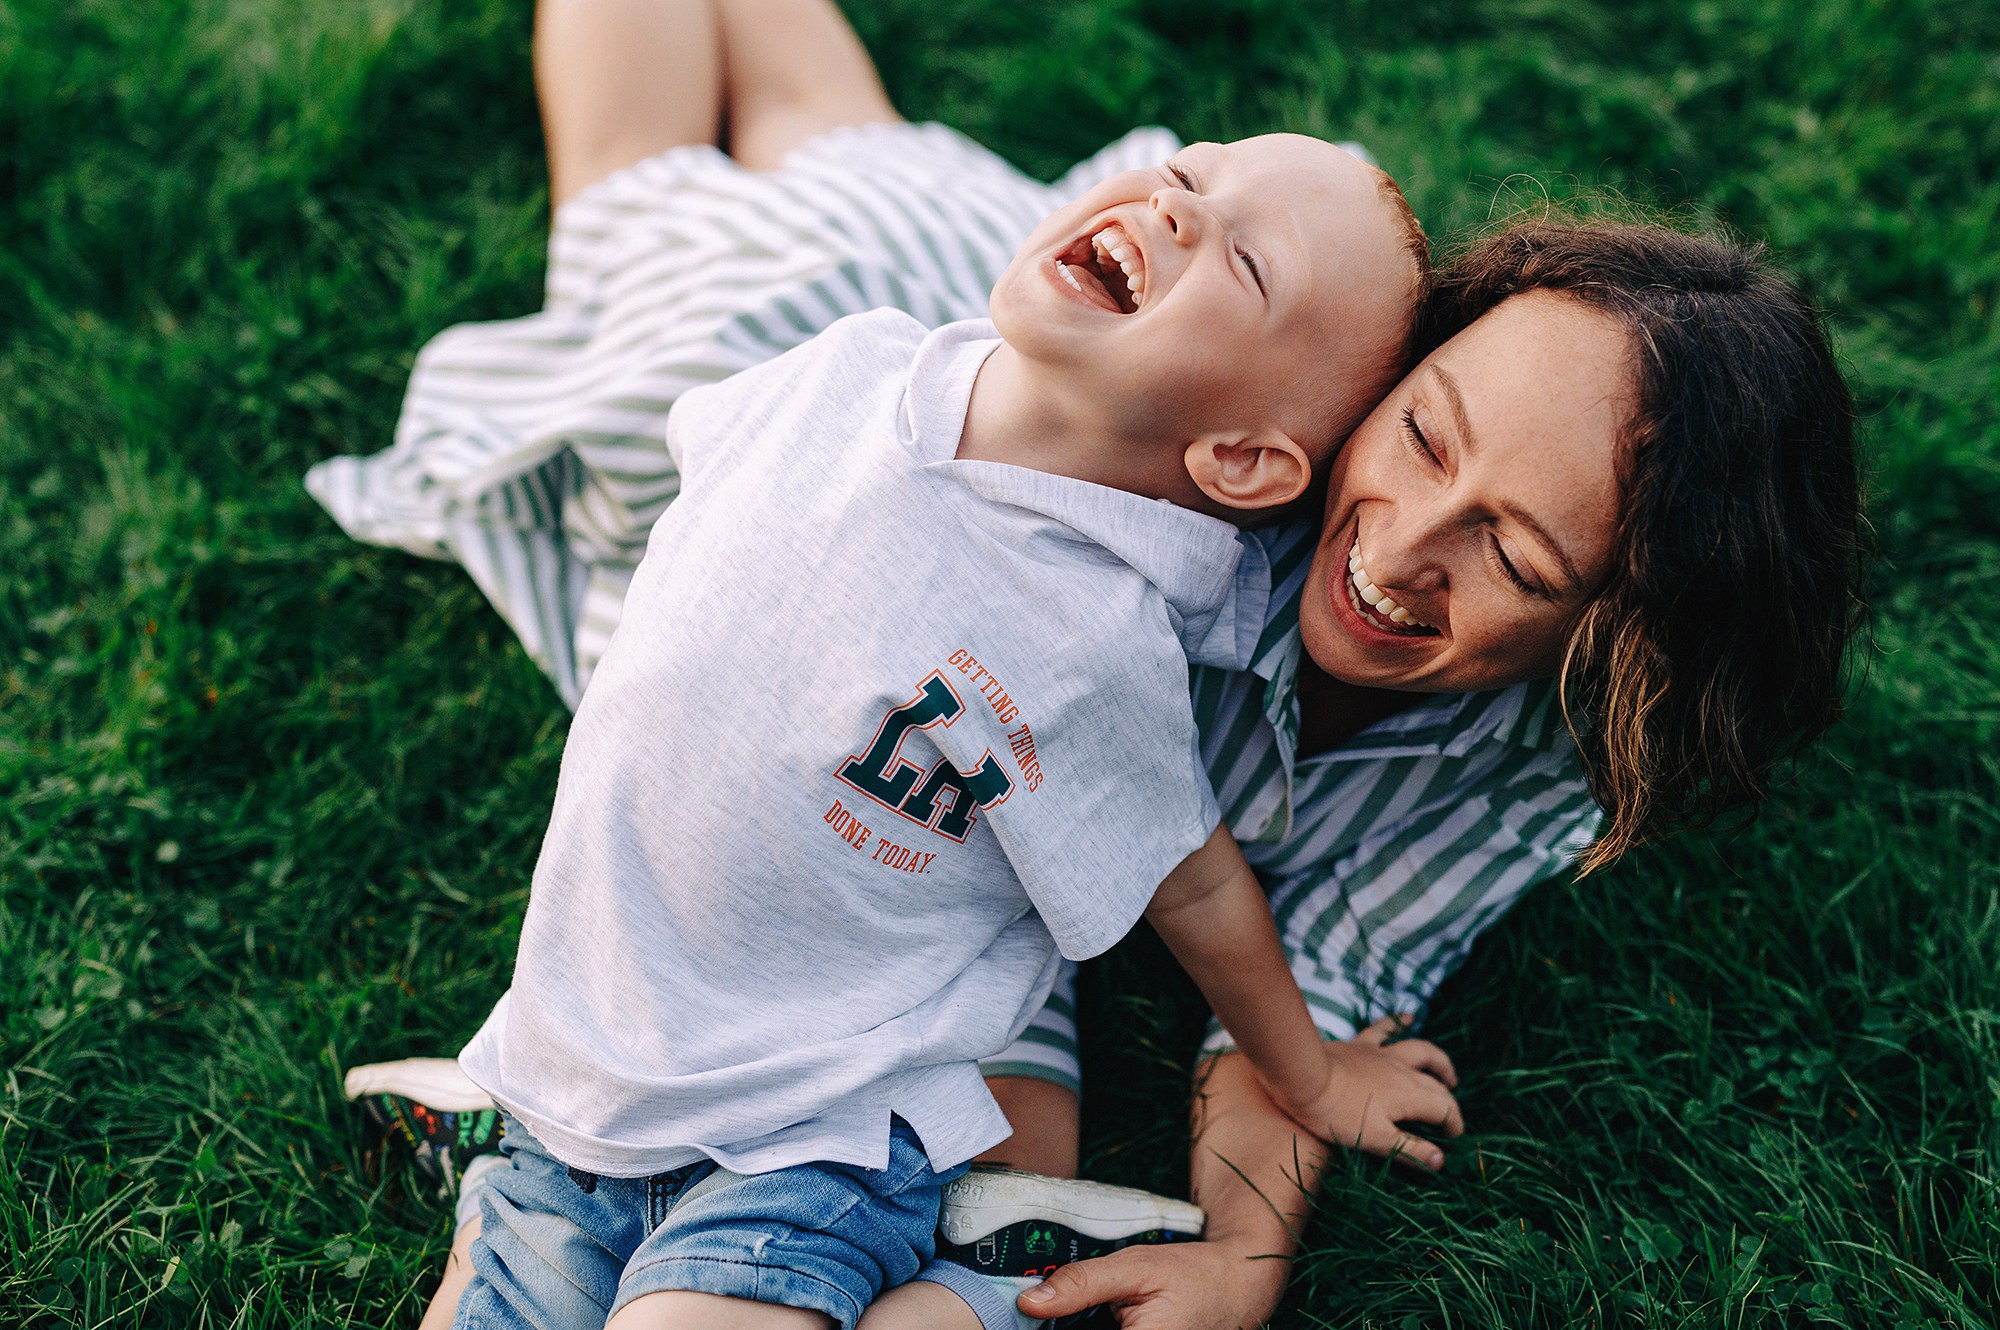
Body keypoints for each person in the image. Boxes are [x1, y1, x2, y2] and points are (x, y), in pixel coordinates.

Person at [311, 0, 1864, 1325]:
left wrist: (1246, 1249)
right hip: (827, 335)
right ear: (1360, 398)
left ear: (1611, 643)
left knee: (818, 117)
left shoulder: (1511, 769)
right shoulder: (1180, 483)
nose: (1398, 548)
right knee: (665, 191)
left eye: (1515, 558)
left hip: (952, 571)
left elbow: (1303, 988)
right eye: (1420, 432)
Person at [428, 116, 1431, 1330]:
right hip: (583, 1062)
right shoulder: (847, 364)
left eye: (1247, 262)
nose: (1174, 207)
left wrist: (1314, 1073)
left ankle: (982, 1275)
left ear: (1236, 458)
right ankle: (980, 1279)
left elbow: (1194, 882)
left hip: (825, 1123)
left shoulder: (1093, 641)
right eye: (1185, 172)